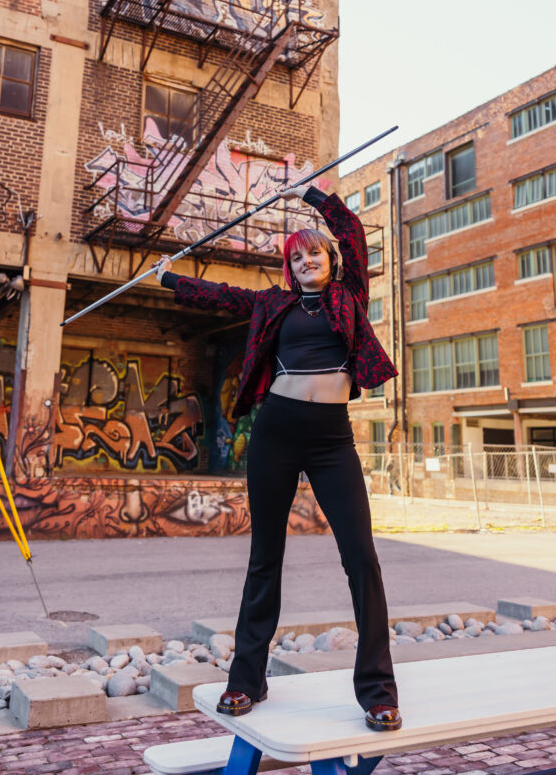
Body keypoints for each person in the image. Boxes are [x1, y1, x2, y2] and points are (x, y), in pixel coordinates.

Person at [156, 183, 401, 732]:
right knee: (265, 555)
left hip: (331, 438)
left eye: (314, 252)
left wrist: (310, 194)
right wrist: (169, 278)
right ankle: (246, 680)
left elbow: (354, 230)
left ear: (331, 260)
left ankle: (379, 692)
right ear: (288, 268)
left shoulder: (350, 296)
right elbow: (219, 295)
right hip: (276, 432)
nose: (305, 260)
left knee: (361, 555)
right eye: (296, 256)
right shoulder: (273, 303)